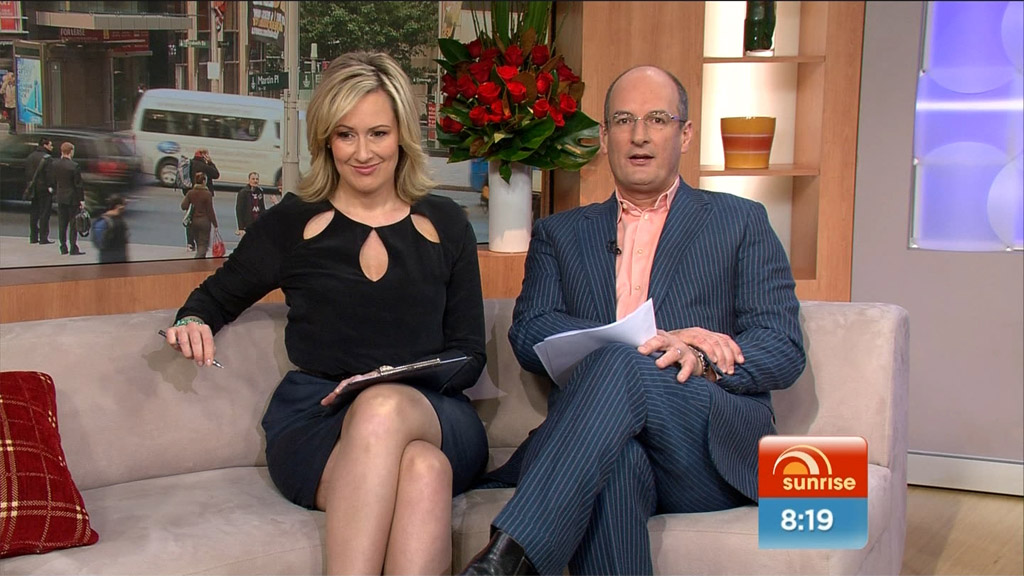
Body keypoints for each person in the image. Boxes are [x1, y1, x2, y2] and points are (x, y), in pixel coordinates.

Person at [459, 65, 807, 576]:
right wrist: (618, 341)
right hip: (603, 441)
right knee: (616, 464)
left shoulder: (741, 221)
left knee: (624, 364)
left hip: (703, 445)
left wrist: (700, 354)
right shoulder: (560, 234)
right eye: (623, 120)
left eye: (657, 119)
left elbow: (782, 347)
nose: (639, 135)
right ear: (605, 138)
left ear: (685, 134)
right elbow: (530, 332)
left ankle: (505, 561)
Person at [163, 51, 488, 575]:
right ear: (325, 140)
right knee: (423, 472)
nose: (363, 152)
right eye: (346, 135)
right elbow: (213, 298)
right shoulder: (292, 223)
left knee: (384, 406)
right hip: (317, 420)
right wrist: (191, 321)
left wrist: (388, 382)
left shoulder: (447, 222)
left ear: (403, 136)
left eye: (378, 133)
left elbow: (469, 354)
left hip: (434, 414)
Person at [52, 141, 86, 256]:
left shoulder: (55, 164)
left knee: (62, 224)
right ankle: (73, 248)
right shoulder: (74, 166)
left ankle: (63, 247)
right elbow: (78, 185)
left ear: (61, 151)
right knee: (73, 224)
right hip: (72, 198)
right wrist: (81, 200)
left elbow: (53, 180)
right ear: (71, 151)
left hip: (60, 197)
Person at [24, 137, 55, 245]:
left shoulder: (30, 156)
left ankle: (33, 236)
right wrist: (51, 187)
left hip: (33, 188)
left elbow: (27, 173)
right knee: (44, 213)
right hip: (44, 189)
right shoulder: (48, 158)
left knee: (34, 212)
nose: (52, 147)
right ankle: (43, 237)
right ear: (45, 145)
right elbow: (50, 176)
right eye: (50, 145)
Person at [180, 171, 218, 258]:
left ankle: (200, 260)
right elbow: (210, 211)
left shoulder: (190, 193)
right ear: (204, 181)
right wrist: (215, 224)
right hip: (204, 222)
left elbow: (183, 206)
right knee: (203, 245)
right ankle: (198, 261)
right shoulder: (207, 194)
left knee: (198, 243)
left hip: (193, 222)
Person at [92, 194, 129, 263]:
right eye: (123, 205)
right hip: (116, 257)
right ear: (118, 206)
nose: (124, 207)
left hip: (104, 255)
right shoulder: (117, 221)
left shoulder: (103, 219)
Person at [234, 171, 270, 236]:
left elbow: (262, 208)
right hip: (248, 225)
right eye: (253, 179)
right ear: (249, 180)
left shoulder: (260, 192)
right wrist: (241, 228)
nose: (255, 181)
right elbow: (239, 210)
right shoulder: (243, 193)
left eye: (257, 179)